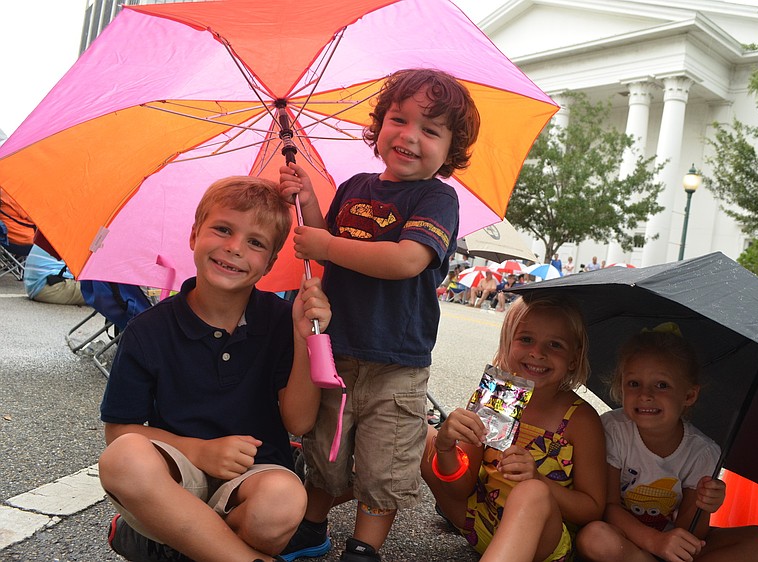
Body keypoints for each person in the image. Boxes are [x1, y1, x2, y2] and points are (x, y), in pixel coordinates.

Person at [278, 68, 481, 561]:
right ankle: (313, 524)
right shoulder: (354, 185)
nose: (410, 136)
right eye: (399, 119)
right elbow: (330, 252)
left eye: (431, 130)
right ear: (379, 125)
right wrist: (308, 201)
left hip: (398, 360)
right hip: (338, 350)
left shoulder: (436, 198)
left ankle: (364, 547)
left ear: (450, 149)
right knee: (326, 450)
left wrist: (328, 243)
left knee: (383, 463)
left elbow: (407, 259)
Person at [98, 176, 332, 562]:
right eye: (222, 229)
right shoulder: (148, 330)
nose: (234, 248)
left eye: (255, 243)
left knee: (286, 500)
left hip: (254, 476)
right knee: (123, 457)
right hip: (175, 472)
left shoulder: (280, 321)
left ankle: (163, 542)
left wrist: (305, 337)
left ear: (271, 263)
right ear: (194, 235)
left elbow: (300, 421)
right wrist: (200, 452)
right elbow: (118, 430)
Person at [421, 294, 607, 562]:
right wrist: (446, 447)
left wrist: (537, 480)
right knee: (422, 437)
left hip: (543, 545)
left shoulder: (581, 420)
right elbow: (460, 488)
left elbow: (592, 509)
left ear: (574, 358)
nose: (537, 353)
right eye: (526, 339)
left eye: (555, 344)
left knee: (532, 493)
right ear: (507, 344)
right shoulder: (494, 398)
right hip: (481, 523)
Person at [576, 324, 758, 562]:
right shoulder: (613, 430)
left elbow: (691, 532)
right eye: (634, 383)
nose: (645, 394)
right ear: (621, 386)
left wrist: (705, 506)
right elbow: (608, 508)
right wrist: (655, 542)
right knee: (594, 537)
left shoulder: (703, 452)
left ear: (689, 395)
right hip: (625, 541)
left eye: (662, 385)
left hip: (671, 541)